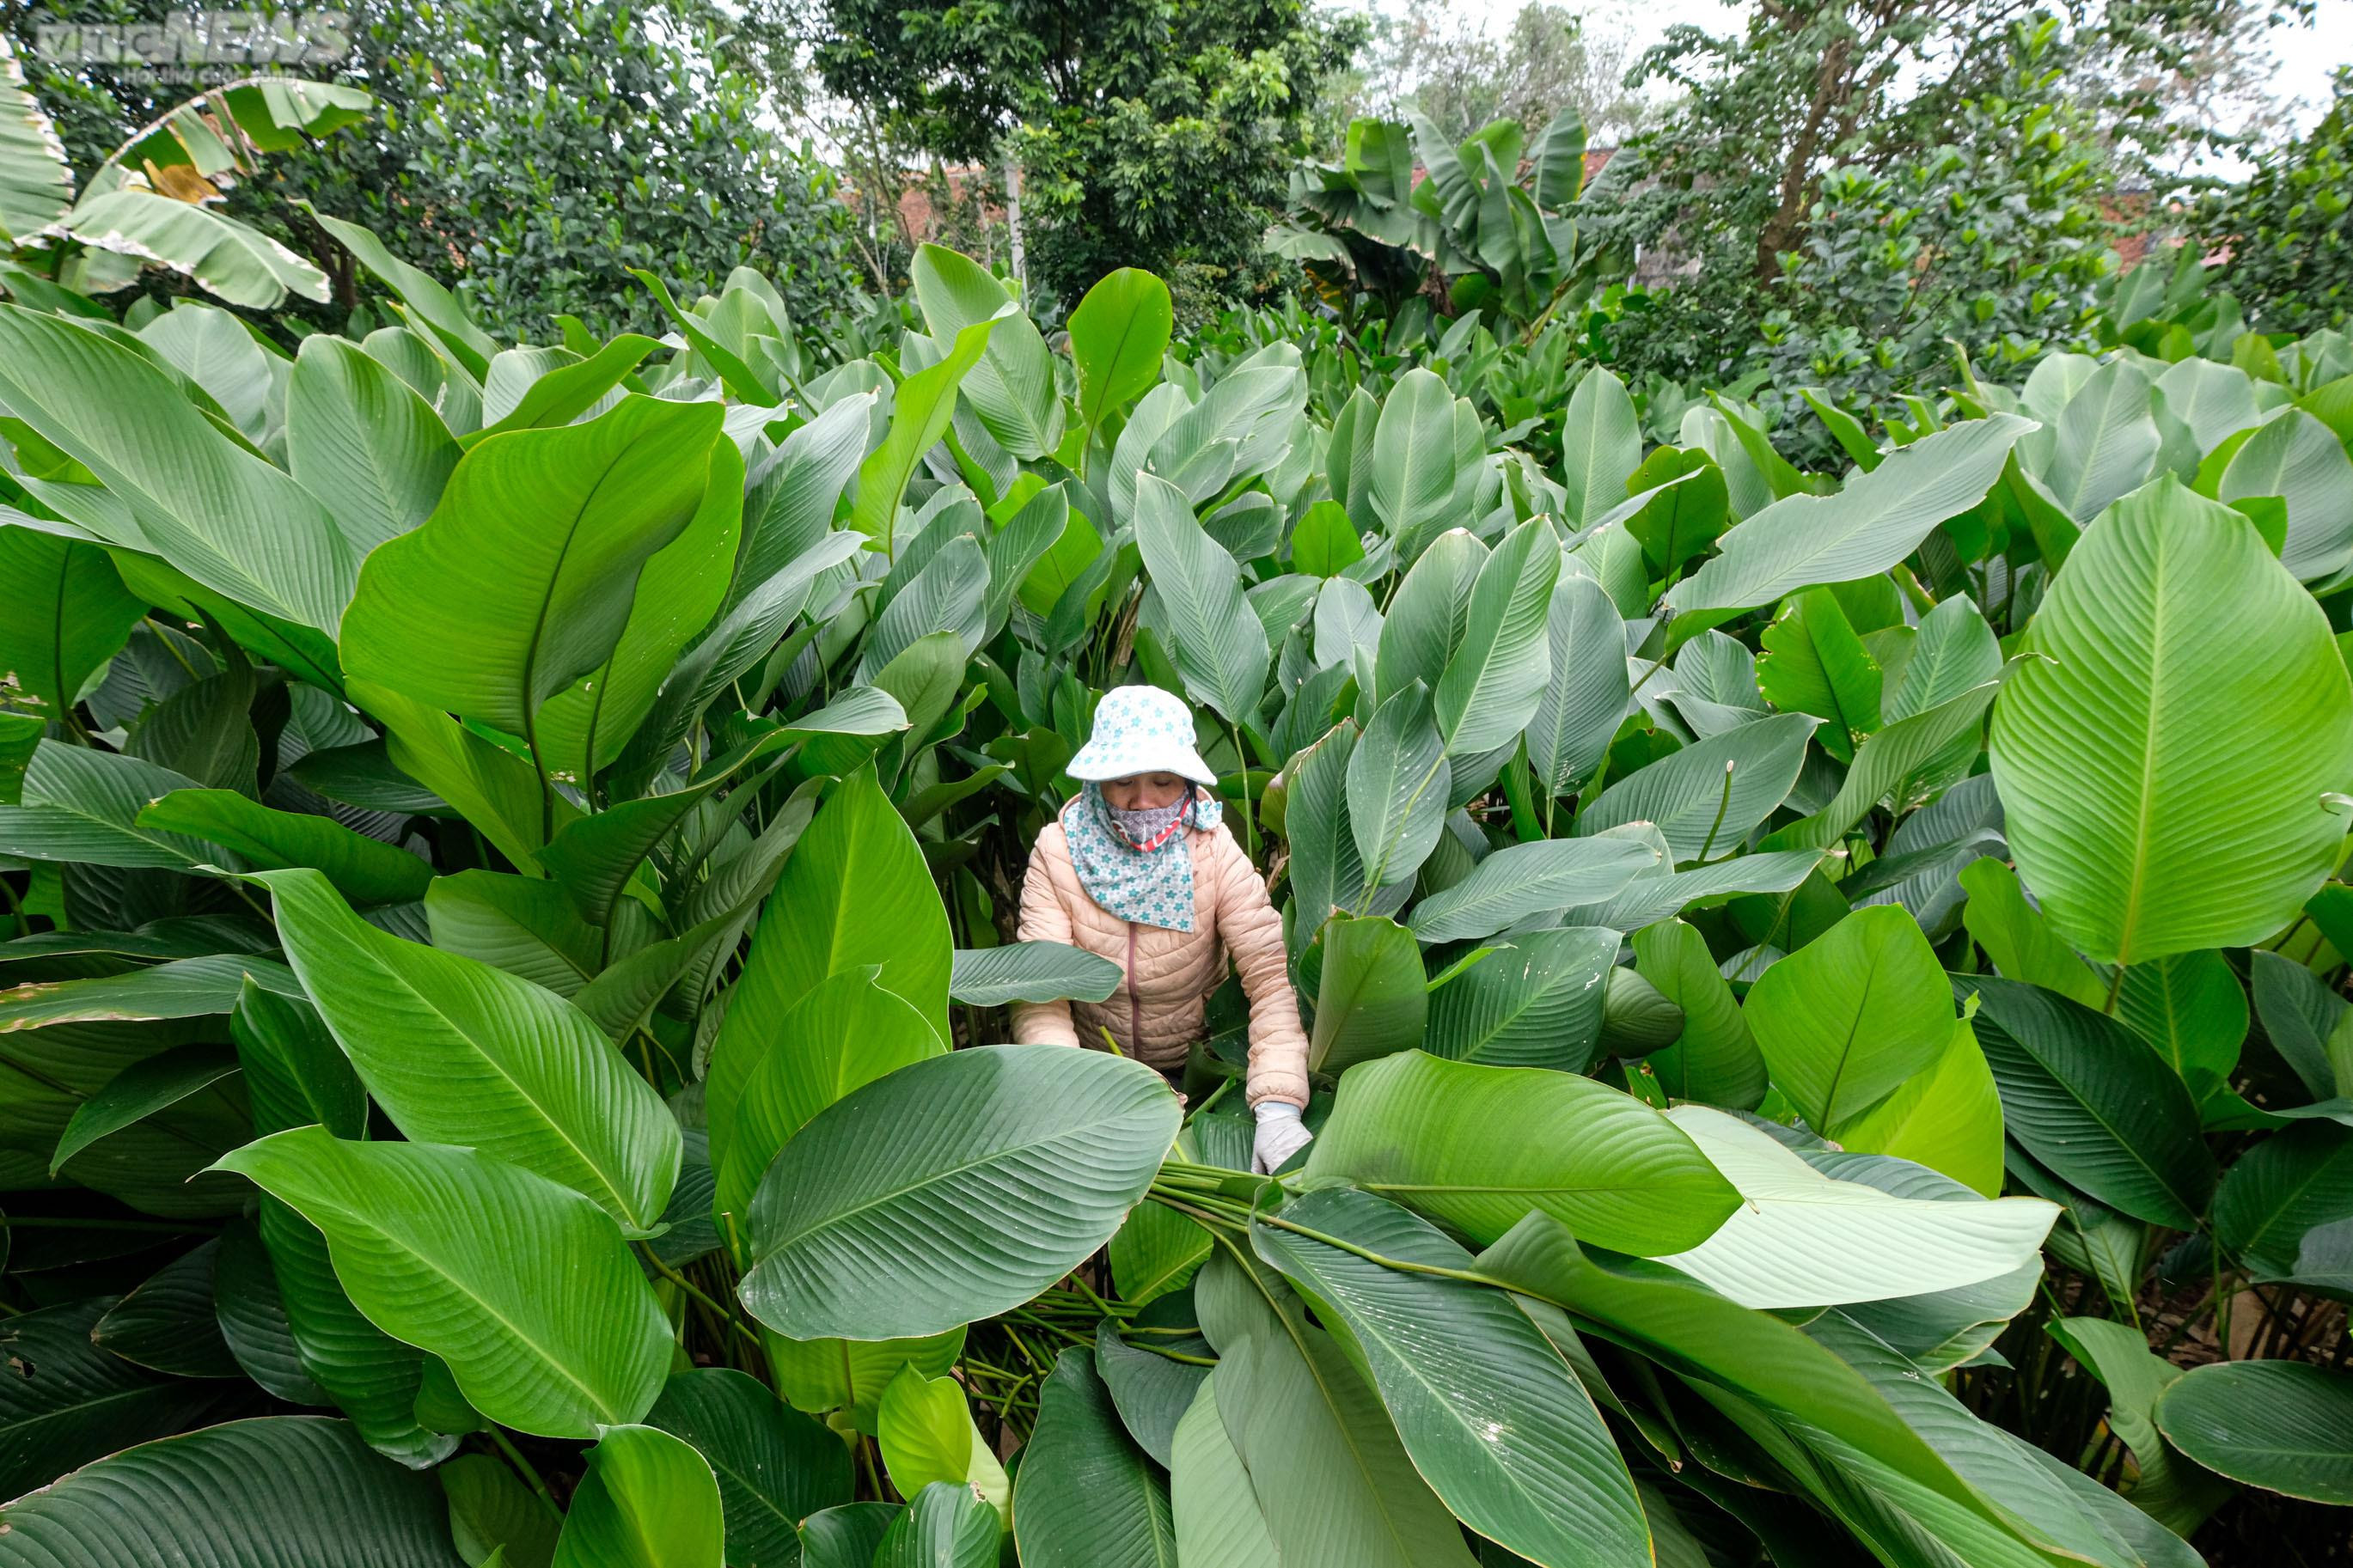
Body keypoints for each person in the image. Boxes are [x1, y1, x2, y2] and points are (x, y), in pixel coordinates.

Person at [1011, 684, 1313, 1174]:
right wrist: (1070, 1104)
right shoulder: (1058, 850)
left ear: (1188, 783)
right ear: (1098, 780)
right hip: (1093, 1070)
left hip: (1202, 1070)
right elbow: (1041, 994)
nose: (1141, 800)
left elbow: (1271, 979)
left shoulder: (1214, 850)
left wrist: (1277, 1101)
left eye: (1163, 781)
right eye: (1124, 779)